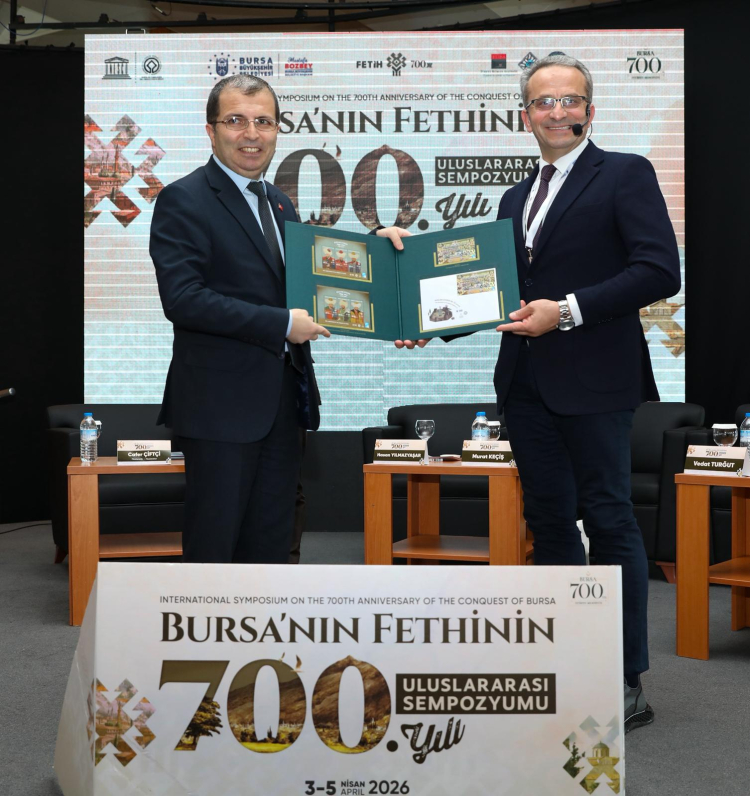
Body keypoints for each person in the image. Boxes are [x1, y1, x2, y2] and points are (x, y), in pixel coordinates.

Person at [378, 54, 680, 734]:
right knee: (547, 522)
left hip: (597, 381)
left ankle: (623, 676)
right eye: (544, 101)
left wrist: (566, 310)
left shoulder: (625, 173)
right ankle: (567, 659)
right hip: (526, 385)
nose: (557, 111)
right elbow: (497, 295)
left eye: (570, 99)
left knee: (610, 520)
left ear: (590, 110)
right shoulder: (515, 198)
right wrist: (429, 324)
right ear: (526, 115)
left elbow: (660, 269)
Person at [150, 74, 330, 564]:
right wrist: (280, 324)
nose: (252, 134)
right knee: (215, 551)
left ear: (277, 130)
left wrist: (384, 251)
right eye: (236, 120)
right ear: (211, 130)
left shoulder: (279, 202)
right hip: (219, 410)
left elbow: (308, 281)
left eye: (263, 122)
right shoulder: (184, 198)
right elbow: (184, 299)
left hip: (283, 406)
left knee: (271, 549)